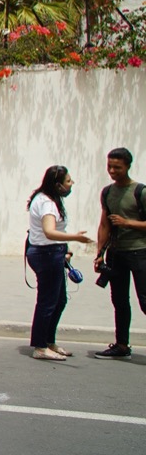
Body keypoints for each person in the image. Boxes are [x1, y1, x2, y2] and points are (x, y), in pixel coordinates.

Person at [26, 165, 92, 360]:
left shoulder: (48, 199)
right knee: (48, 301)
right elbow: (49, 232)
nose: (72, 184)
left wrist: (65, 248)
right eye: (68, 181)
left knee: (59, 299)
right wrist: (75, 238)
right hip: (46, 254)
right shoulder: (47, 203)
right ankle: (40, 346)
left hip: (52, 252)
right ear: (58, 185)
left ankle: (48, 341)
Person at [94, 147, 146, 360]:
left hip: (140, 252)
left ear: (127, 167)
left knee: (145, 300)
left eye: (117, 167)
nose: (112, 171)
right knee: (119, 301)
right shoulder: (107, 192)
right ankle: (121, 345)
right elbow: (104, 223)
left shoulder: (140, 191)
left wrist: (128, 223)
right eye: (109, 167)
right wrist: (99, 253)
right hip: (116, 254)